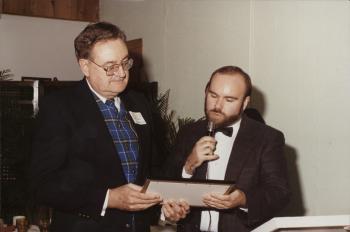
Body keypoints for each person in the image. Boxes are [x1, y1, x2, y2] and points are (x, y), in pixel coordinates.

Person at [30, 22, 162, 232]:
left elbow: (152, 168)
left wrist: (165, 202)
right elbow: (43, 184)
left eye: (125, 62)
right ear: (85, 66)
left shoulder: (140, 104)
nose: (121, 73)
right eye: (110, 66)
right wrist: (108, 198)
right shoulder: (59, 107)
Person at [164, 66, 290, 231]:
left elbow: (279, 193)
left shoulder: (267, 138)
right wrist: (188, 166)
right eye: (213, 95)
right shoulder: (188, 132)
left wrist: (243, 199)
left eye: (229, 100)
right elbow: (166, 184)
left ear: (244, 103)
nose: (217, 105)